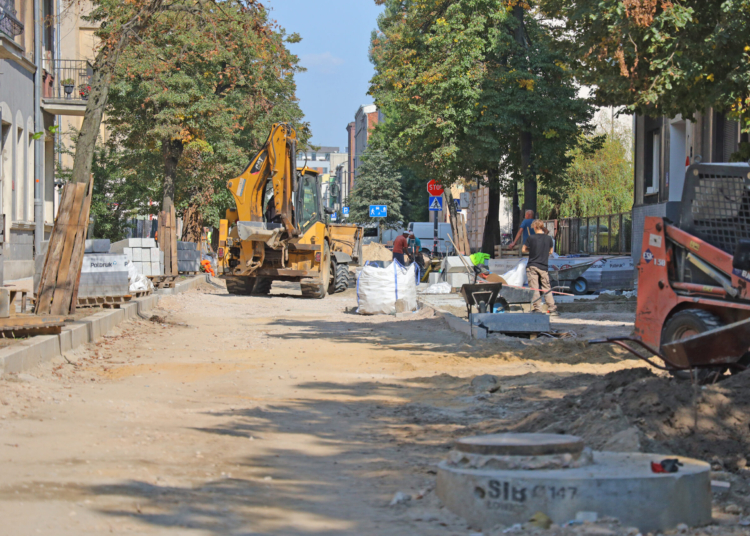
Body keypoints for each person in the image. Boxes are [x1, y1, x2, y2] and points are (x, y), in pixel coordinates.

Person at [522, 219, 558, 316]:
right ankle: (552, 308)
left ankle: (538, 309)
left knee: (535, 288)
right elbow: (551, 252)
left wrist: (532, 249)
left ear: (534, 227)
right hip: (543, 266)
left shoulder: (531, 238)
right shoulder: (549, 239)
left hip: (532, 266)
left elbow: (523, 249)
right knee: (547, 287)